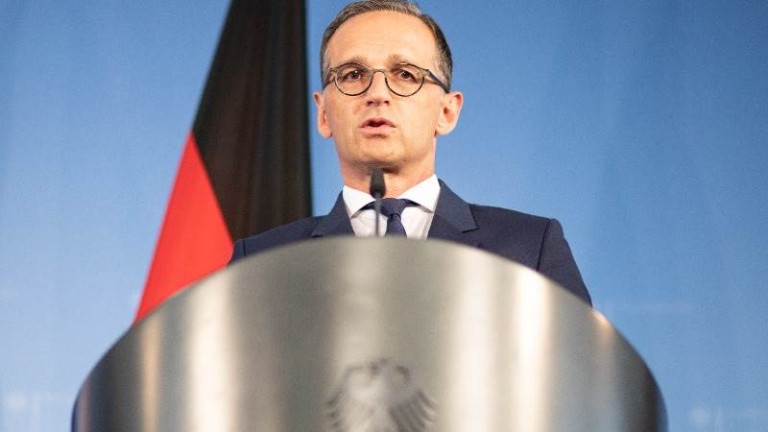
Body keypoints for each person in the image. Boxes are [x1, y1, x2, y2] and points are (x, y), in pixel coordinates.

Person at [230, 0, 591, 305]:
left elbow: (578, 366)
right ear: (323, 114)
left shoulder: (530, 247)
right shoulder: (263, 262)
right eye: (353, 74)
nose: (377, 94)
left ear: (447, 111)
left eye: (405, 74)